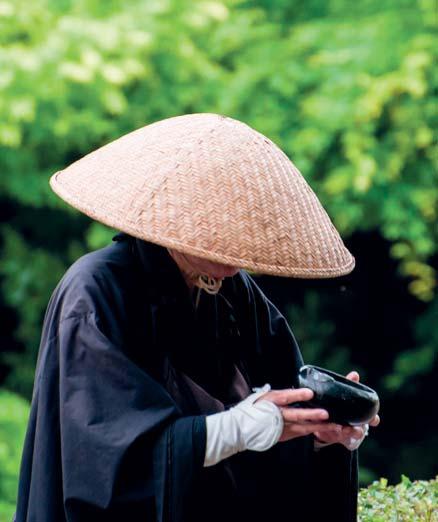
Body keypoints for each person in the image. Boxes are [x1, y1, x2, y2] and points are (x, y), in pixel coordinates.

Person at [15, 113, 379, 522]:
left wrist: (318, 435)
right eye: (221, 242)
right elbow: (108, 464)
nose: (236, 259)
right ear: (179, 225)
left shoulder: (233, 288)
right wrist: (236, 429)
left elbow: (276, 417)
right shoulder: (96, 291)